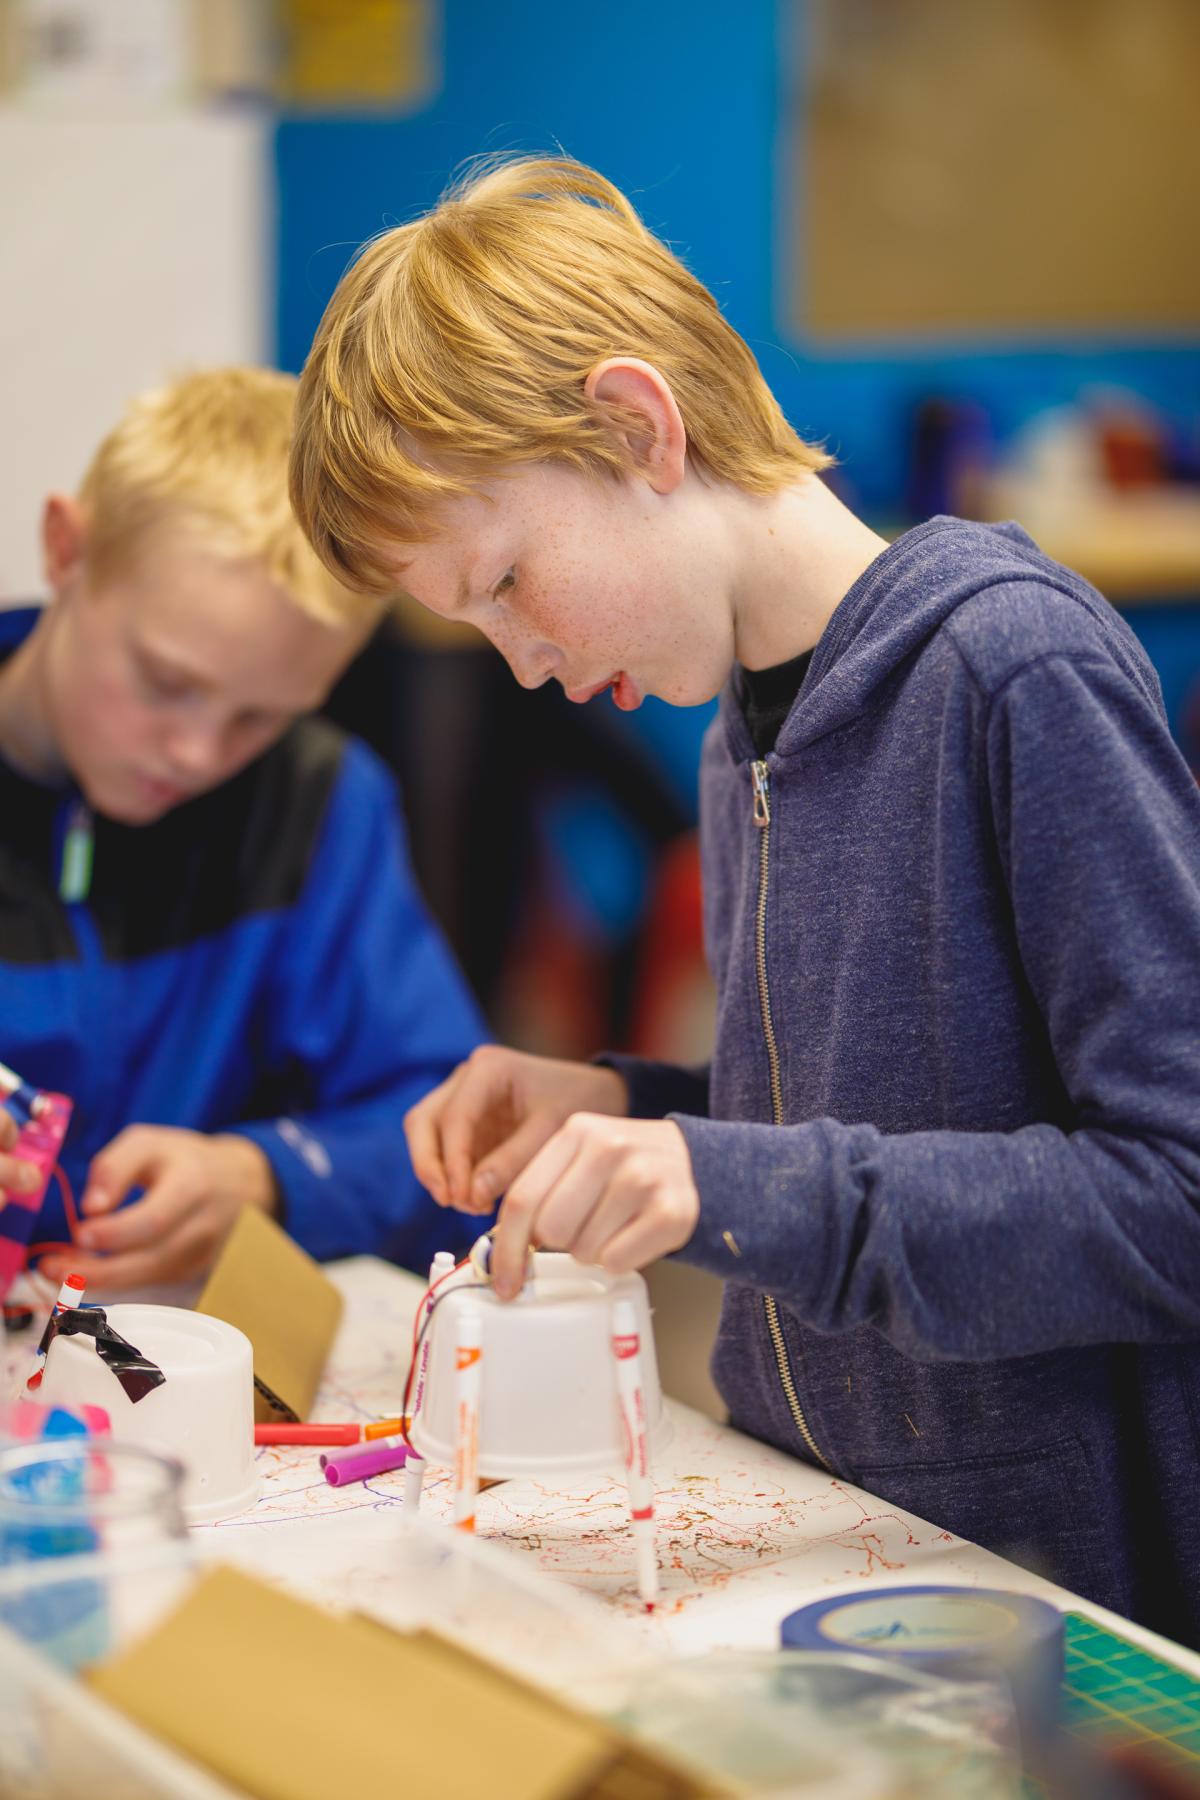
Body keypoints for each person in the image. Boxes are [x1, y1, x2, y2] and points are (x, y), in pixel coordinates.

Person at [288, 159, 1200, 1643]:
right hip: (840, 1544)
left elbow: (1177, 1195)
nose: (521, 666)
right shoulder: (738, 732)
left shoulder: (1010, 668)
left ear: (644, 428)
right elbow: (881, 1107)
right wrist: (630, 1107)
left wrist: (731, 1183)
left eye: (510, 580)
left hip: (1055, 1599)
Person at [0, 368, 485, 1294]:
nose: (193, 752)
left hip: (169, 1381)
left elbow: (451, 1135)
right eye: (165, 681)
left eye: (260, 717)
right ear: (66, 550)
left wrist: (267, 1174)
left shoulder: (320, 803)